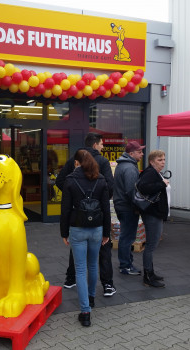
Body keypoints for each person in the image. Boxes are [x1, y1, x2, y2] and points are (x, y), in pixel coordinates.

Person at [56, 132, 116, 297]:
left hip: (77, 217)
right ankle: (107, 285)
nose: (103, 147)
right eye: (102, 144)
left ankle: (70, 279)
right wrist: (96, 200)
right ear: (95, 145)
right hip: (97, 215)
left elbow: (60, 181)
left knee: (77, 247)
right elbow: (109, 186)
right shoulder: (102, 161)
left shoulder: (74, 159)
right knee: (103, 249)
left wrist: (77, 198)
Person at [60, 149, 111, 326]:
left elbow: (65, 209)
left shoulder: (70, 181)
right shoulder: (102, 179)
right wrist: (106, 233)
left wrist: (64, 233)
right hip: (97, 229)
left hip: (77, 228)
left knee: (80, 270)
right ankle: (91, 297)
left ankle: (85, 311)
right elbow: (106, 209)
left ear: (76, 163)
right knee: (92, 265)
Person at [137, 150, 169, 288]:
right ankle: (148, 276)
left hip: (155, 213)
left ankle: (151, 272)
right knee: (151, 245)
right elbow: (143, 187)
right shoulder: (150, 173)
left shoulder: (155, 172)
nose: (163, 162)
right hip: (152, 214)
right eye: (159, 160)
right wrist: (162, 184)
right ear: (152, 161)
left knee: (152, 245)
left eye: (163, 159)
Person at [113, 140, 145, 275]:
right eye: (139, 152)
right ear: (131, 153)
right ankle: (125, 266)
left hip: (121, 205)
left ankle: (126, 263)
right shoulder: (130, 168)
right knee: (127, 237)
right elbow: (132, 191)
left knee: (125, 236)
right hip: (127, 207)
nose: (142, 154)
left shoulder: (122, 165)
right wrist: (140, 206)